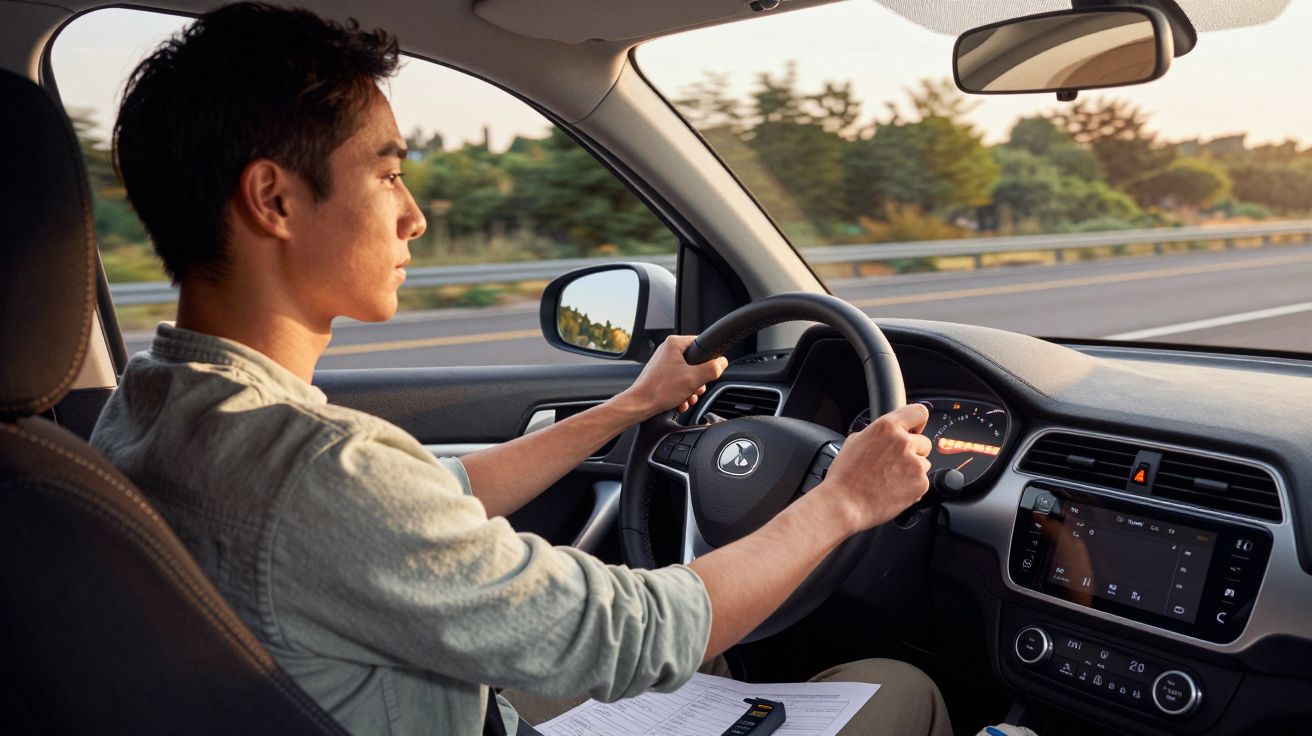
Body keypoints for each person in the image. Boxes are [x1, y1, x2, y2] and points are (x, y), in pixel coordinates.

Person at [91, 3, 952, 735]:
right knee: (902, 689)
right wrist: (843, 501)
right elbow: (638, 633)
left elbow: (431, 498)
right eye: (387, 175)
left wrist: (624, 411)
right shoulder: (318, 471)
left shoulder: (152, 407)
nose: (415, 217)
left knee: (718, 658)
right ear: (273, 199)